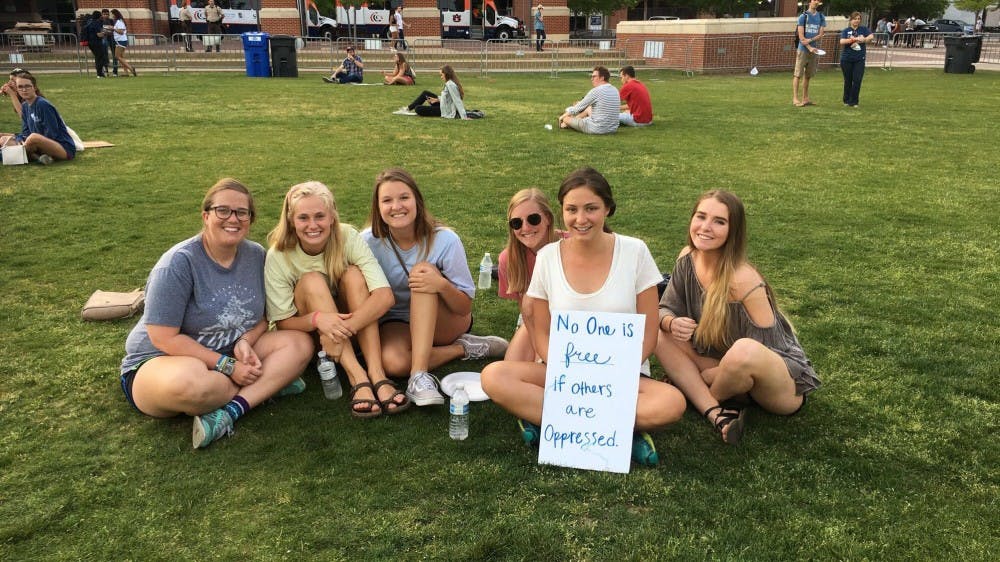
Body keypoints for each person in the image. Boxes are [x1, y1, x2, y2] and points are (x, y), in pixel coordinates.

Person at [481, 167, 687, 467]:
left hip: (624, 375)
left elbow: (648, 331)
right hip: (565, 374)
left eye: (591, 208)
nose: (581, 219)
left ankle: (565, 421)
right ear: (561, 212)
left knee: (671, 403)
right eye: (572, 209)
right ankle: (619, 430)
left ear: (607, 209)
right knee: (494, 376)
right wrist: (567, 370)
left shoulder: (634, 251)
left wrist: (616, 370)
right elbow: (541, 332)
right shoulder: (549, 257)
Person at [119, 179, 313, 449]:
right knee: (194, 384)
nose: (232, 219)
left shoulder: (256, 256)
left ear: (250, 219)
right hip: (163, 359)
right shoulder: (178, 263)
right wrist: (228, 366)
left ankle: (230, 411)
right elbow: (163, 337)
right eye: (223, 210)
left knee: (299, 344)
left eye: (241, 212)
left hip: (232, 350)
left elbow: (267, 315)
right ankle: (269, 385)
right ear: (206, 215)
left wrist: (246, 341)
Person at [654, 190, 821, 446]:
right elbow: (665, 308)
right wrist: (671, 322)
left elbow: (768, 353)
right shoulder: (687, 257)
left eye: (719, 221)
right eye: (701, 216)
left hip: (775, 384)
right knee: (658, 334)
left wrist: (711, 375)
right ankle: (717, 410)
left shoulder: (744, 281)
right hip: (720, 363)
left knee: (744, 351)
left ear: (733, 231)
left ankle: (696, 392)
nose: (706, 227)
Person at [362, 167, 508, 406]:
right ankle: (465, 348)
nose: (396, 206)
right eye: (387, 200)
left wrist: (440, 284)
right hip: (397, 321)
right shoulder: (368, 241)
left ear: (417, 201)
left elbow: (463, 306)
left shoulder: (445, 240)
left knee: (423, 272)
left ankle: (418, 376)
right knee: (394, 363)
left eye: (404, 197)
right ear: (378, 208)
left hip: (446, 318)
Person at [265, 181, 411, 418]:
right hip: (316, 342)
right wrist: (318, 319)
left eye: (320, 216)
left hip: (346, 333)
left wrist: (341, 330)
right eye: (303, 218)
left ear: (332, 216)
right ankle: (358, 377)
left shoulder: (347, 236)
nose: (313, 225)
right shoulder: (279, 255)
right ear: (291, 220)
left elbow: (384, 296)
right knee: (311, 280)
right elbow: (283, 322)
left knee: (353, 275)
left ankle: (377, 373)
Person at [497, 188, 564, 362]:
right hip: (533, 316)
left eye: (533, 219)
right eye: (516, 223)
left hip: (570, 315)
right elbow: (526, 311)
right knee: (510, 369)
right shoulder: (509, 259)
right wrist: (538, 349)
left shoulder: (570, 245)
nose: (525, 228)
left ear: (548, 219)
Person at [0, 72, 76, 165]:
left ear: (34, 87)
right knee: (3, 139)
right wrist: (21, 139)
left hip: (62, 148)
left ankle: (11, 155)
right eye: (20, 87)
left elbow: (52, 133)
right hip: (36, 144)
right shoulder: (25, 106)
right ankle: (39, 158)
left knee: (33, 137)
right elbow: (25, 132)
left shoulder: (43, 104)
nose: (24, 90)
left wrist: (28, 143)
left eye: (27, 86)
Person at [558, 66, 620, 135]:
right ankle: (573, 120)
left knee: (566, 118)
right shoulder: (615, 89)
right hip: (612, 129)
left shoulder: (596, 91)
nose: (591, 79)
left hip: (597, 128)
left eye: (594, 77)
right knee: (588, 109)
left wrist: (562, 117)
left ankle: (566, 123)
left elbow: (577, 108)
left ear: (602, 78)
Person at [394, 65, 467, 119]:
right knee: (425, 93)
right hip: (444, 106)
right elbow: (448, 98)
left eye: (441, 75)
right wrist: (437, 99)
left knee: (418, 109)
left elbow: (457, 101)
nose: (441, 77)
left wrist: (464, 117)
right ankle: (407, 108)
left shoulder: (450, 84)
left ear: (446, 74)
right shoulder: (449, 83)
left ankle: (408, 109)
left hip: (445, 110)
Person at [792, 0, 826, 107]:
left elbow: (820, 34)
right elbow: (801, 36)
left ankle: (805, 98)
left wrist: (810, 42)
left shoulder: (821, 17)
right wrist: (808, 46)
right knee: (798, 74)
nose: (816, 2)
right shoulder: (803, 17)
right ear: (810, 2)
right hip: (802, 50)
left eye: (818, 1)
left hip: (814, 50)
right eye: (814, 0)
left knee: (808, 76)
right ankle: (795, 99)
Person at [839, 12, 872, 108]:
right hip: (847, 59)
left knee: (857, 80)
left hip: (859, 59)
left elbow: (871, 37)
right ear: (851, 20)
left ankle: (854, 101)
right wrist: (853, 40)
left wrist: (864, 39)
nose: (857, 20)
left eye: (858, 19)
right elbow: (842, 41)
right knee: (848, 80)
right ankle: (846, 100)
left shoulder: (863, 29)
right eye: (855, 18)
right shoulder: (846, 30)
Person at [110, 9, 137, 77]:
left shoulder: (119, 22)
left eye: (112, 14)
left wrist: (113, 28)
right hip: (119, 40)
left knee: (117, 56)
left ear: (115, 14)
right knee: (121, 57)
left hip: (121, 41)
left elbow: (121, 32)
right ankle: (126, 72)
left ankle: (131, 68)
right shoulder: (118, 21)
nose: (111, 16)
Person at [83, 11, 110, 77]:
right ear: (98, 16)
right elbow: (99, 35)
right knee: (100, 58)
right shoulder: (96, 23)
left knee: (98, 57)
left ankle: (100, 73)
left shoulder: (90, 22)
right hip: (96, 42)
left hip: (90, 43)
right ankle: (99, 74)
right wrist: (105, 33)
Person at [101, 9, 117, 76]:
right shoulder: (100, 21)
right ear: (102, 14)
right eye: (104, 14)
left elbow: (114, 28)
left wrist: (111, 28)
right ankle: (106, 70)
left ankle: (115, 71)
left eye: (107, 14)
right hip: (104, 38)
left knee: (115, 55)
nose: (106, 16)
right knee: (104, 54)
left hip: (111, 38)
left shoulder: (111, 21)